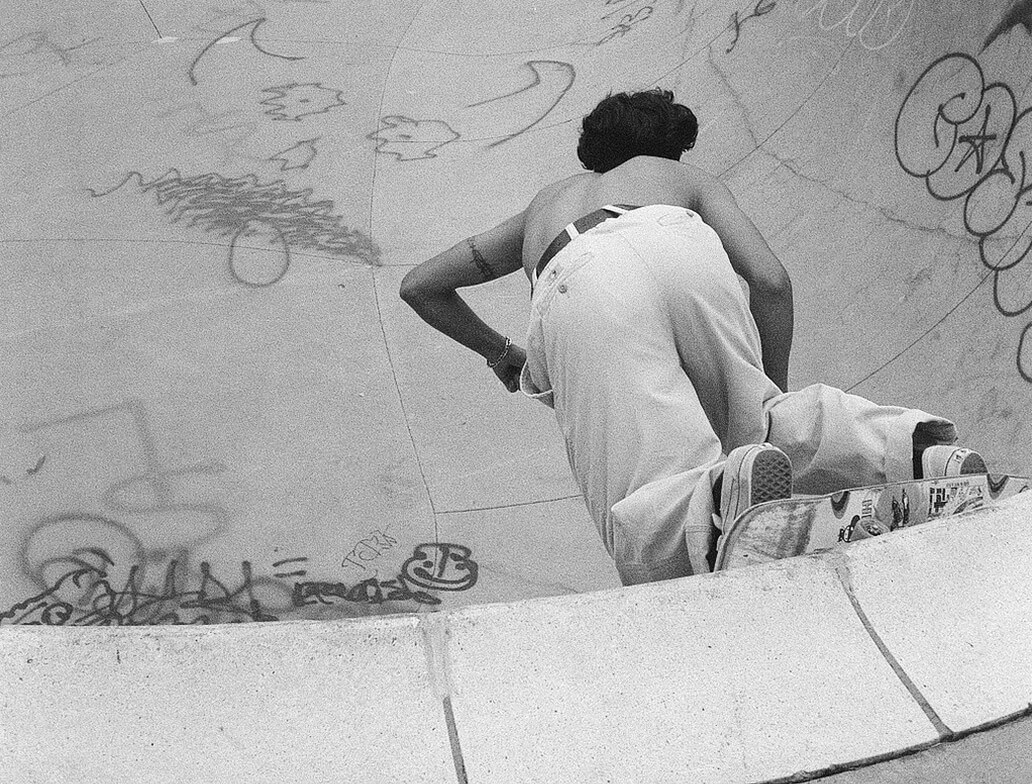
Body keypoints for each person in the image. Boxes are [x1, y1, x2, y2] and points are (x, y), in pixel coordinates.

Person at [400, 88, 986, 585]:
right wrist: (763, 405)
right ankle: (914, 449)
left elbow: (421, 286)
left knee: (635, 503)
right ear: (668, 146)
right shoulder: (683, 179)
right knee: (758, 420)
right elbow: (771, 281)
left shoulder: (546, 204)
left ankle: (714, 499)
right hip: (681, 244)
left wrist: (502, 353)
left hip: (576, 275)